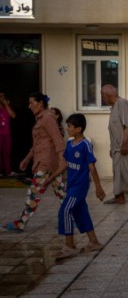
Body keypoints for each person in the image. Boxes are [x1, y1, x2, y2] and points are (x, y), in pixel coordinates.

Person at [45, 114, 106, 259]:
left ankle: (69, 246)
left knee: (65, 211)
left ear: (78, 129)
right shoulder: (69, 144)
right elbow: (65, 164)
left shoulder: (85, 145)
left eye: (70, 126)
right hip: (71, 185)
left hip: (80, 186)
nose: (67, 128)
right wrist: (51, 178)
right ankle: (94, 242)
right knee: (80, 212)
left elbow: (92, 167)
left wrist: (98, 187)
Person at [3, 93, 66, 232]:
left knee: (33, 193)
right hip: (48, 162)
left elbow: (58, 140)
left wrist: (62, 161)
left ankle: (21, 223)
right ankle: (73, 219)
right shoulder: (40, 119)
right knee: (61, 193)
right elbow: (37, 144)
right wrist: (27, 159)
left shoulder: (48, 118)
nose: (29, 106)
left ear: (41, 103)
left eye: (32, 103)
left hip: (47, 163)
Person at [0, 91, 16, 177]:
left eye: (2, 96)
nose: (1, 98)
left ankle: (8, 171)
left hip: (6, 133)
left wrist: (6, 104)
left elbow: (13, 115)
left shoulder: (7, 108)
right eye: (0, 96)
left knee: (7, 152)